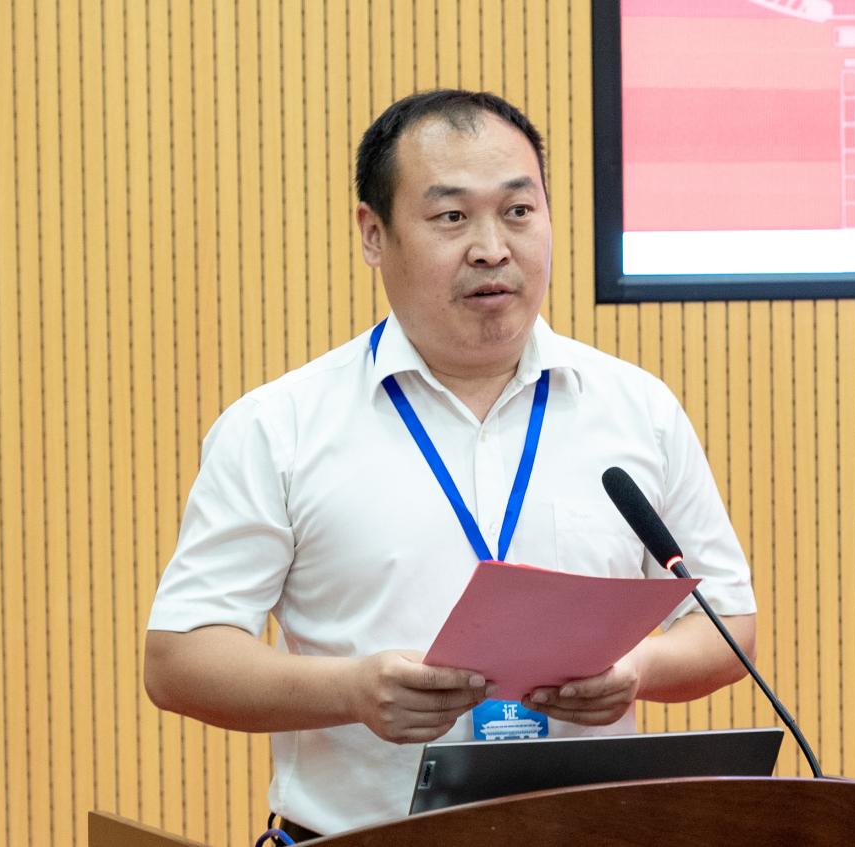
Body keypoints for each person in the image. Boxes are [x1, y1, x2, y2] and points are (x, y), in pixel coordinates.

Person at [143, 89, 757, 840]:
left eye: (518, 211)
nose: (492, 248)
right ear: (374, 234)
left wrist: (640, 671)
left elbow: (727, 624)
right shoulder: (280, 426)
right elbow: (180, 659)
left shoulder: (638, 410)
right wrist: (351, 690)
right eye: (451, 217)